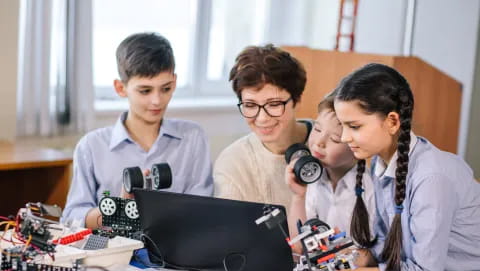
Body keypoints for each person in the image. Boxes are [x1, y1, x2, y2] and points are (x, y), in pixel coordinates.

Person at [332, 63, 480, 271]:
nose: (344, 137)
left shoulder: (431, 177)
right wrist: (362, 257)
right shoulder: (381, 164)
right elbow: (392, 245)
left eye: (354, 126)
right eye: (342, 126)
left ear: (392, 121)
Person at [62, 32, 213, 228]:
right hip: (113, 254)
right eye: (145, 91)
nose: (157, 100)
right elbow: (71, 218)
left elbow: (203, 209)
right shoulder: (91, 146)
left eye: (166, 89)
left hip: (174, 253)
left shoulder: (193, 137)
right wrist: (119, 210)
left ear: (174, 82)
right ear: (120, 88)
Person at [213, 44, 311, 210]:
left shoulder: (330, 140)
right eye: (250, 105)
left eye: (273, 104)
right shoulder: (232, 163)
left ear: (296, 100)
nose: (262, 118)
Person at [285, 93, 375, 254]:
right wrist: (298, 196)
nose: (319, 142)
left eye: (334, 139)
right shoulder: (311, 182)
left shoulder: (372, 189)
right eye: (317, 129)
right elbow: (298, 247)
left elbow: (376, 253)